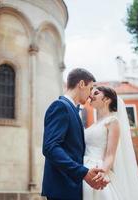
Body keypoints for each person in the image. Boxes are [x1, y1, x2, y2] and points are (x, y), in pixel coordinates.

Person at [42, 68, 109, 200]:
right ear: (82, 84)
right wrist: (83, 172)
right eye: (91, 89)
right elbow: (50, 147)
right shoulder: (60, 106)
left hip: (71, 188)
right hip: (62, 188)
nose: (91, 95)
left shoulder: (71, 108)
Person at [83, 86, 138, 200]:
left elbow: (110, 154)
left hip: (98, 169)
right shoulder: (93, 125)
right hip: (84, 168)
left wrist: (102, 172)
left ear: (106, 99)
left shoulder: (113, 122)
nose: (90, 96)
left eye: (96, 93)